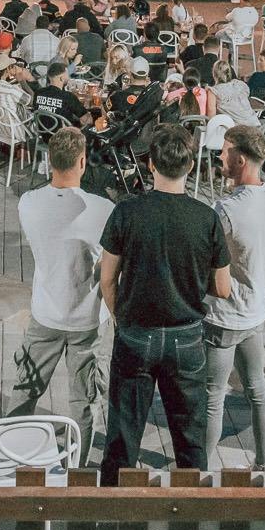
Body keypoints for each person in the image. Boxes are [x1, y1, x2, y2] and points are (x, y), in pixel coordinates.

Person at [98, 124, 232, 481]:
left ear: (151, 166)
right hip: (186, 337)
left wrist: (119, 317)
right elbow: (223, 288)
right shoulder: (207, 218)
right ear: (189, 167)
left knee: (123, 436)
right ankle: (190, 520)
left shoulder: (126, 212)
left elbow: (107, 278)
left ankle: (113, 521)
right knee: (190, 441)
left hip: (136, 333)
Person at [13, 127, 112, 443]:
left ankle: (8, 450)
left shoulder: (28, 202)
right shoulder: (102, 210)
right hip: (86, 318)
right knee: (83, 402)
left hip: (45, 313)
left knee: (25, 389)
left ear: (49, 160)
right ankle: (79, 469)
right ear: (82, 162)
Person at [203, 125, 265, 471]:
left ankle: (203, 469)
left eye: (224, 151)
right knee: (257, 388)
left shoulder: (227, 210)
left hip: (224, 315)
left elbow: (207, 262)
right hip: (255, 312)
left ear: (240, 158)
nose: (220, 156)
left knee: (211, 399)